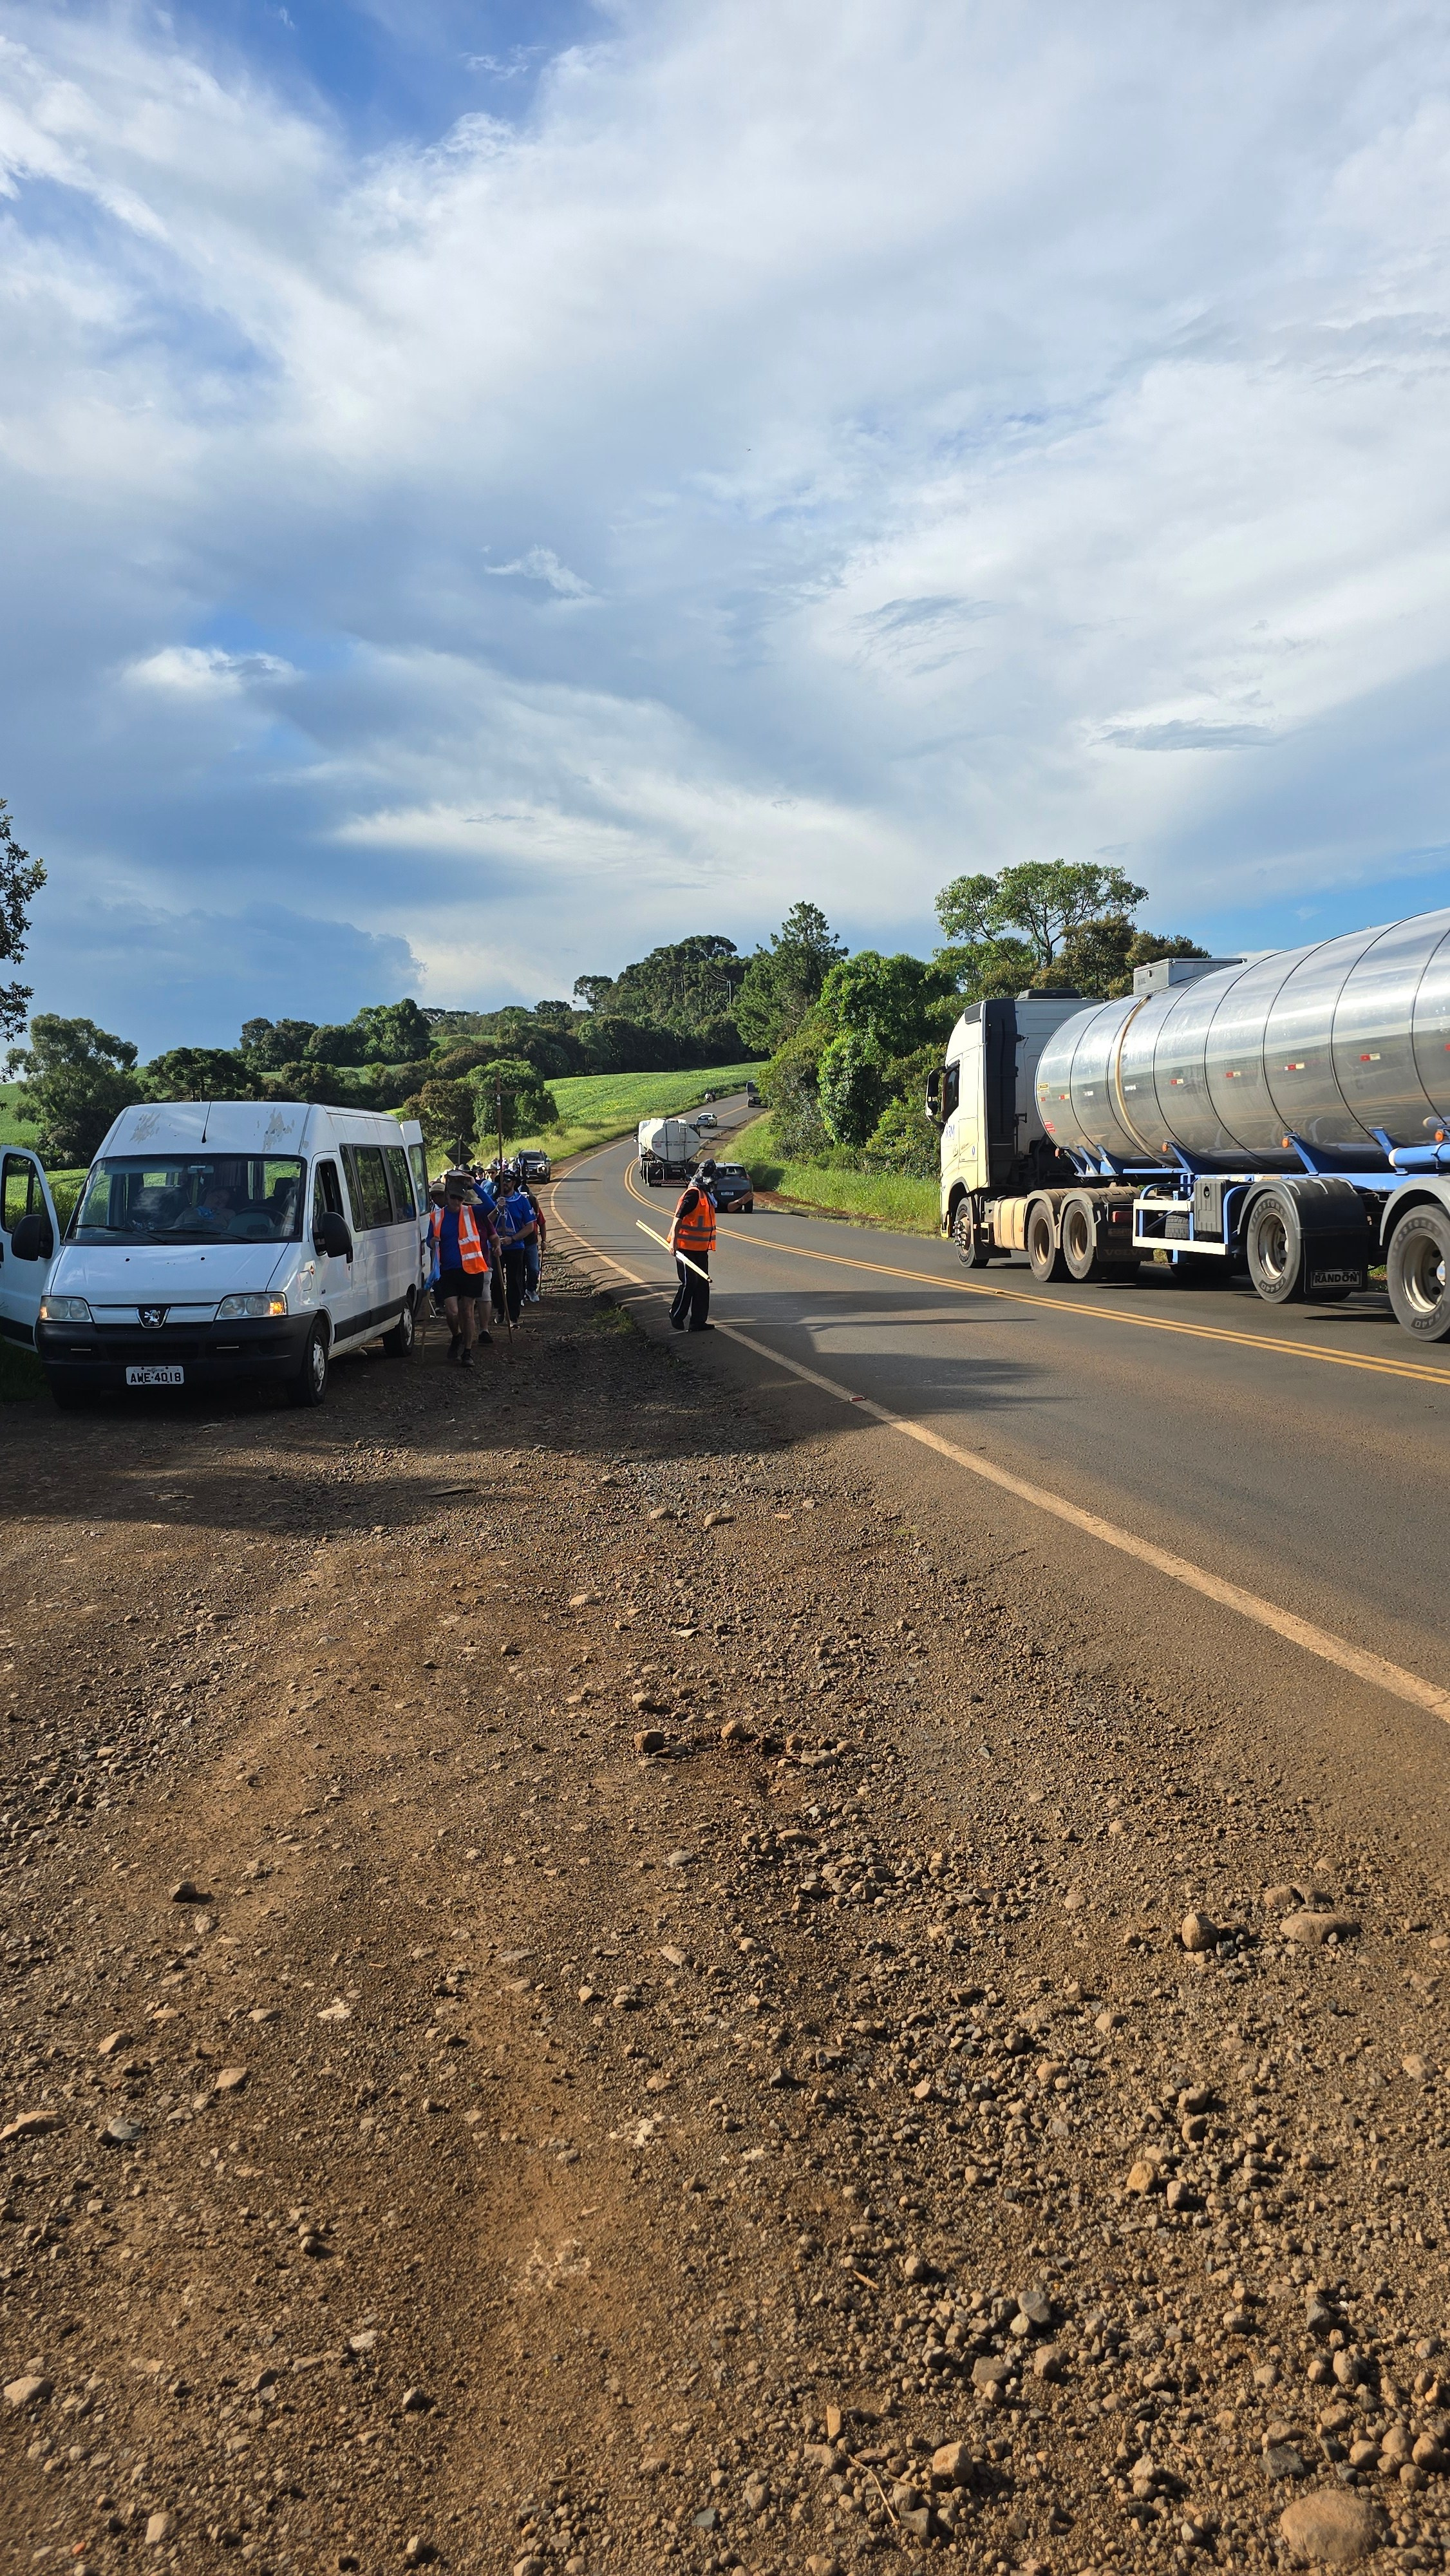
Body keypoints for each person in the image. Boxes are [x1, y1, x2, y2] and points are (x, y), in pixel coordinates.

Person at [428, 1170, 495, 1367]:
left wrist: (474, 1185)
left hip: (472, 1269)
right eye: (453, 1198)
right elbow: (429, 1242)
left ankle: (467, 1351)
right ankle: (456, 1335)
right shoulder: (436, 1217)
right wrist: (432, 1241)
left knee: (467, 1312)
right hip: (448, 1271)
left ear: (463, 1199)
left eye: (460, 1198)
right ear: (447, 1197)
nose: (456, 1202)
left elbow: (490, 1205)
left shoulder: (472, 1213)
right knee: (452, 1311)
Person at [668, 1159, 716, 1331]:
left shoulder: (708, 1196)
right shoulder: (693, 1194)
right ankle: (676, 1314)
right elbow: (678, 1217)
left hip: (701, 1249)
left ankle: (698, 1322)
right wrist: (673, 1241)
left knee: (702, 1284)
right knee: (690, 1283)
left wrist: (742, 1202)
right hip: (685, 1247)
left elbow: (726, 1208)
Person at [496, 1175, 538, 1324]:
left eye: (507, 1181)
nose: (504, 1184)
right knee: (496, 1280)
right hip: (496, 1248)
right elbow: (485, 1221)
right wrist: (496, 1209)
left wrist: (512, 1239)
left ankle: (513, 1316)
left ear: (513, 1183)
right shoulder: (493, 1200)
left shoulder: (523, 1201)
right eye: (501, 1181)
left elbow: (530, 1227)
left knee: (514, 1281)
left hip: (515, 1247)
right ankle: (501, 1308)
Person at [522, 1184, 545, 1302]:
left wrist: (544, 1241)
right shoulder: (514, 1205)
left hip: (531, 1242)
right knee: (519, 1271)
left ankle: (530, 1290)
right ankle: (520, 1294)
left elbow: (542, 1223)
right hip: (518, 1242)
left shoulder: (533, 1204)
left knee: (534, 1269)